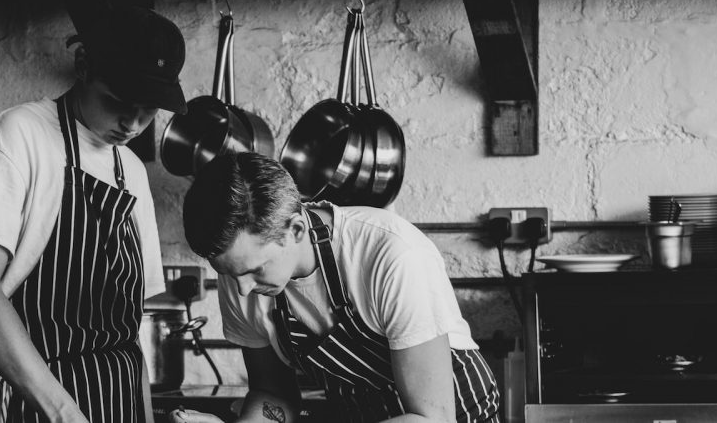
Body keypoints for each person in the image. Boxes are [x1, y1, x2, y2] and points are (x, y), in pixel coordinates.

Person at [0, 5, 188, 423]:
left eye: (149, 110)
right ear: (83, 66)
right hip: (36, 406)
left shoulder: (133, 173)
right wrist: (63, 413)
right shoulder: (21, 134)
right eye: (119, 101)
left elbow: (129, 337)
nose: (132, 122)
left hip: (120, 403)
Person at [177, 152, 501, 423]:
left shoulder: (391, 255)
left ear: (297, 230)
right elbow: (273, 394)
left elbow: (431, 418)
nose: (243, 289)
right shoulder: (240, 274)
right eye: (230, 274)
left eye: (255, 270)